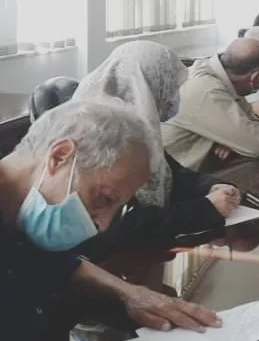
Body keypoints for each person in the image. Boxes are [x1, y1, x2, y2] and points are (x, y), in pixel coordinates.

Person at [0, 101, 221, 341]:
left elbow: (55, 264)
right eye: (105, 198)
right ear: (60, 157)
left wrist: (130, 294)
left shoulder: (23, 216)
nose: (103, 225)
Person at [70, 41, 241, 255]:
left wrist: (212, 187)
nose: (172, 100)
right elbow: (125, 227)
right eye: (169, 90)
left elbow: (172, 172)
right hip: (112, 261)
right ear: (143, 87)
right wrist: (206, 209)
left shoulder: (138, 128)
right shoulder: (99, 140)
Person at [162, 38, 259, 170]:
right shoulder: (207, 89)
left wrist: (231, 139)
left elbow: (252, 119)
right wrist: (235, 138)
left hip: (194, 168)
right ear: (255, 77)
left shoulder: (216, 74)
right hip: (173, 176)